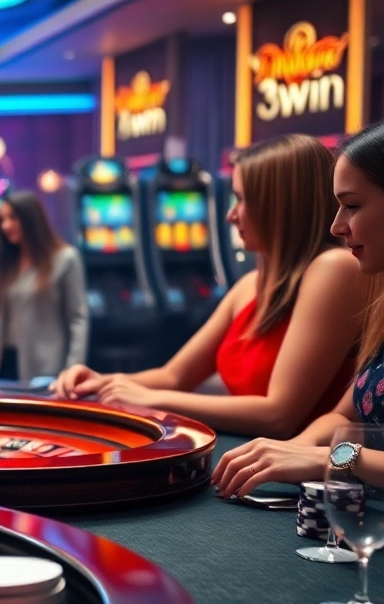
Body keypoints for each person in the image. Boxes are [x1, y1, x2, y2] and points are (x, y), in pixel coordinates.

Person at [54, 135, 362, 439]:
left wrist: (151, 400)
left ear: (280, 205)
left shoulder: (334, 268)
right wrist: (102, 382)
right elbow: (173, 376)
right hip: (249, 456)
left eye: (241, 200)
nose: (230, 216)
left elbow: (278, 416)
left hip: (301, 472)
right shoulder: (247, 286)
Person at [214, 122, 384, 495]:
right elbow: (343, 415)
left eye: (352, 206)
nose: (338, 226)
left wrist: (330, 458)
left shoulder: (334, 270)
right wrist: (292, 450)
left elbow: (285, 416)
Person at [0, 191, 89, 383]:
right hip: (4, 365)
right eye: (2, 219)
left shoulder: (65, 259)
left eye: (13, 218)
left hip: (47, 368)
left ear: (31, 220)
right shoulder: (3, 263)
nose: (5, 225)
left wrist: (73, 370)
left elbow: (78, 319)